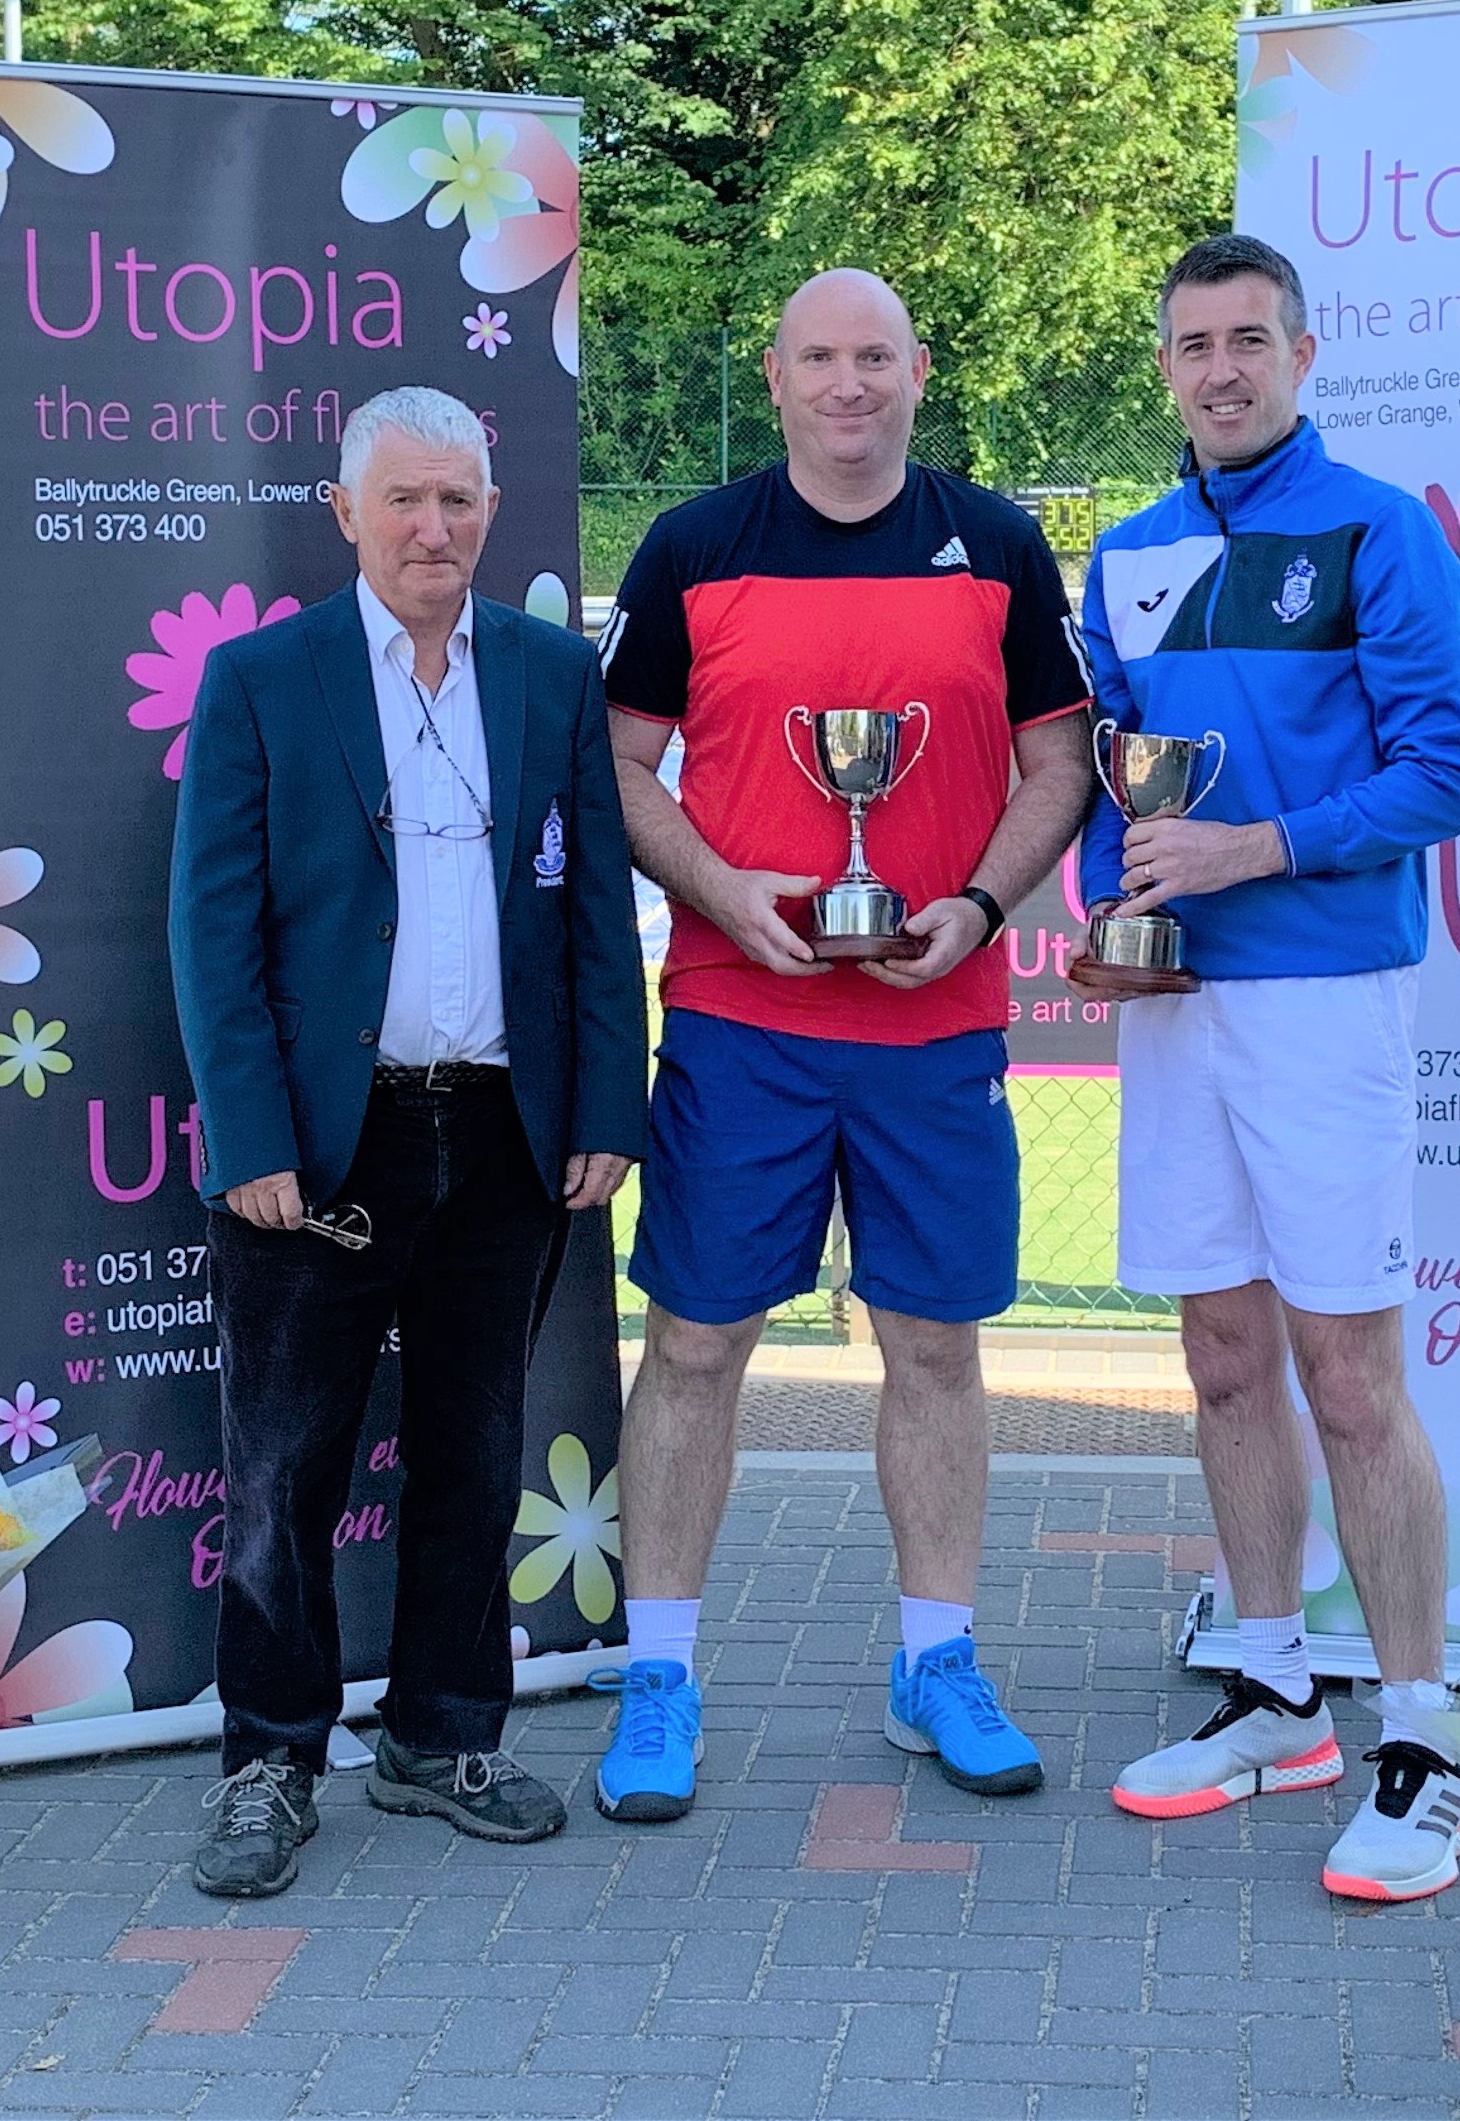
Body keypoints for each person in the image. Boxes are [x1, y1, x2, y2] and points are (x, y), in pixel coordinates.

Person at [594, 269, 1094, 1819]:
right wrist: (720, 890)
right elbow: (619, 760)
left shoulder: (994, 543)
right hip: (739, 1015)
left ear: (917, 370)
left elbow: (1060, 761)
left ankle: (935, 1660)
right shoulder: (692, 545)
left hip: (933, 1021)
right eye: (819, 356)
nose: (848, 383)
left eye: (874, 355)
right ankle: (658, 1675)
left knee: (933, 1344)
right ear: (775, 375)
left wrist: (980, 901)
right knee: (693, 1345)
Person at [168, 385, 647, 1898]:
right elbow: (212, 933)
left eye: (457, 500)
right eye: (403, 500)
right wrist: (252, 1133)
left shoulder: (553, 674)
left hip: (504, 1135)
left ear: (491, 511)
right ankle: (269, 1758)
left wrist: (604, 1107)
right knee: (281, 1468)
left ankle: (443, 1737)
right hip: (321, 1148)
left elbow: (594, 912)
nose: (432, 528)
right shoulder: (262, 679)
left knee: (474, 1451)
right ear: (346, 513)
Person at [1078, 235, 1460, 1902]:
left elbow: (1451, 774)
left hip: (1325, 998)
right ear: (1165, 368)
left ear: (1301, 357)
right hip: (1180, 1005)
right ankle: (1274, 1694)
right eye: (1194, 345)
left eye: (1249, 340)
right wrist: (1117, 908)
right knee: (1222, 1360)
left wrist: (1252, 849)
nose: (1222, 370)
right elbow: (1112, 773)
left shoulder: (1382, 532)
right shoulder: (1127, 550)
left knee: (1349, 1377)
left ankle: (1424, 1745)